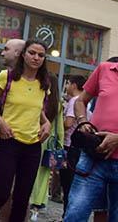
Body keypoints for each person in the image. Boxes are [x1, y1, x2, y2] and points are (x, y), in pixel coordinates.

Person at [0, 39, 52, 222]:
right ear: (23, 54)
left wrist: (47, 123)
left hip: (33, 146)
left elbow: (38, 109)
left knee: (22, 198)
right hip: (9, 141)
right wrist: (0, 121)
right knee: (1, 193)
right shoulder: (7, 76)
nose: (36, 58)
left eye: (40, 55)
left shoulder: (44, 82)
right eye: (32, 53)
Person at [63, 59, 118, 221]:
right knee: (75, 214)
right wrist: (83, 120)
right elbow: (81, 100)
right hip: (94, 157)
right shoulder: (105, 69)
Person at [28, 75, 64, 220]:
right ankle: (38, 203)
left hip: (35, 136)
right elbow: (59, 127)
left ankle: (29, 198)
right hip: (49, 141)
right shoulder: (58, 103)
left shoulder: (40, 98)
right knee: (44, 174)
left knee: (31, 170)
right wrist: (60, 144)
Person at [60, 75, 87, 214]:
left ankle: (67, 215)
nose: (66, 86)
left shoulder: (75, 101)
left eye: (68, 83)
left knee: (67, 184)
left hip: (70, 146)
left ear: (74, 85)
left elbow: (68, 123)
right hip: (78, 148)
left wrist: (59, 122)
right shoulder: (83, 100)